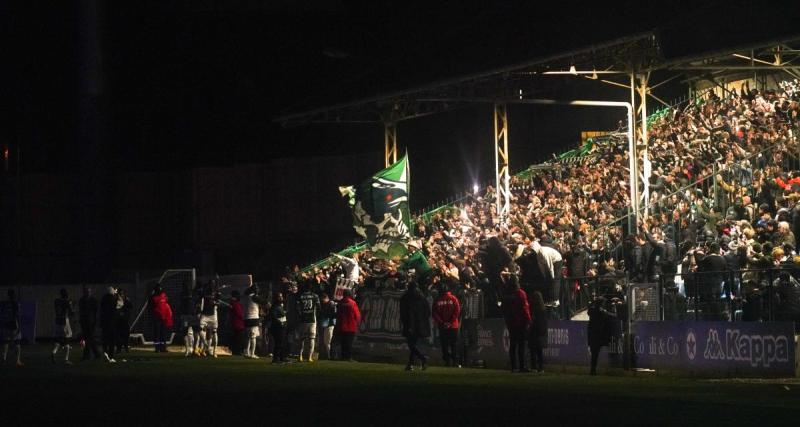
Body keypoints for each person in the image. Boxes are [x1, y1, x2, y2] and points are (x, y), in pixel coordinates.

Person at [399, 281, 431, 371]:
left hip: (410, 324)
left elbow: (404, 313)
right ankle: (411, 364)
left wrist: (405, 323)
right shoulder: (422, 297)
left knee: (411, 344)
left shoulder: (406, 297)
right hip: (420, 324)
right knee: (413, 344)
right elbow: (428, 312)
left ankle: (422, 358)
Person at [502, 275, 531, 372]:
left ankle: (513, 366)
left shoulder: (507, 294)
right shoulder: (521, 293)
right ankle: (522, 366)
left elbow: (504, 308)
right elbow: (525, 308)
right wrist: (528, 320)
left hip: (511, 322)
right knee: (521, 345)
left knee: (513, 345)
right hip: (521, 322)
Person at [432, 280, 461, 367]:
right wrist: (450, 322)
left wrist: (442, 323)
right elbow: (457, 311)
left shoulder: (437, 300)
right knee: (454, 344)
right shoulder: (453, 298)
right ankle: (455, 362)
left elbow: (434, 313)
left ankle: (447, 361)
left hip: (442, 327)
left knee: (444, 345)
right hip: (453, 326)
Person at [587, 296, 616, 375]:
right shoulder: (602, 312)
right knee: (595, 353)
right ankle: (593, 371)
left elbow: (589, 310)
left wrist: (593, 303)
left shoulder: (592, 310)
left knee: (594, 354)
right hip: (599, 335)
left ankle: (592, 370)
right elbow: (613, 316)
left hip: (592, 335)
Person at [296, 282, 320, 362]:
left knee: (302, 339)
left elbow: (297, 308)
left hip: (303, 319)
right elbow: (319, 307)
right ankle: (309, 357)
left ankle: (300, 356)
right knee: (312, 338)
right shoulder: (315, 296)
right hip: (312, 319)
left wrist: (300, 315)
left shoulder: (301, 296)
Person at [335, 288, 361, 361]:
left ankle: (343, 356)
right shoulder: (353, 303)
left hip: (341, 325)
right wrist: (358, 323)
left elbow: (338, 314)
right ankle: (348, 357)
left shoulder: (340, 303)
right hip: (351, 326)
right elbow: (357, 314)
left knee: (343, 342)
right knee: (349, 342)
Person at [242, 285, 266, 359]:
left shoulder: (247, 297)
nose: (258, 290)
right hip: (253, 318)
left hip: (246, 318)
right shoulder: (254, 297)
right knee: (253, 336)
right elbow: (264, 302)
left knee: (248, 337)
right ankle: (252, 353)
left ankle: (247, 352)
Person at [1, 289, 23, 367]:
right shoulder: (15, 303)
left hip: (6, 324)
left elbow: (3, 314)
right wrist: (19, 326)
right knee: (17, 343)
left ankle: (4, 358)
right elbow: (17, 315)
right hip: (13, 324)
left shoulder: (5, 304)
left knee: (6, 342)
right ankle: (17, 361)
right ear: (13, 295)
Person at [52, 289, 75, 365]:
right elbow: (71, 312)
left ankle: (53, 352)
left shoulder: (56, 300)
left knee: (58, 339)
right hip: (64, 321)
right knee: (67, 339)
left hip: (57, 321)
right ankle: (66, 359)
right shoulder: (67, 301)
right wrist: (72, 306)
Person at [78, 287, 101, 361]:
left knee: (88, 338)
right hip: (86, 321)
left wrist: (95, 320)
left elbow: (96, 311)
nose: (87, 293)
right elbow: (81, 311)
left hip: (90, 321)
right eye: (86, 292)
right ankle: (96, 354)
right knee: (89, 338)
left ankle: (88, 355)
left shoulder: (92, 300)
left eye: (88, 291)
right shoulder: (83, 300)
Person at [151, 284, 174, 353]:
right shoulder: (153, 297)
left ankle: (163, 348)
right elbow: (151, 308)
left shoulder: (163, 295)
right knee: (157, 333)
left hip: (163, 317)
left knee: (163, 333)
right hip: (157, 317)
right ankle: (157, 348)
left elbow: (166, 302)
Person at [528, 291, 547, 373]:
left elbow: (532, 320)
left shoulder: (532, 309)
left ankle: (534, 367)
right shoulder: (543, 309)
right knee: (539, 351)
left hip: (534, 331)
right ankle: (541, 367)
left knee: (533, 351)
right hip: (540, 332)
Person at [198, 286, 219, 357]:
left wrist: (216, 302)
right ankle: (207, 346)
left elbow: (217, 303)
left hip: (213, 316)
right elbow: (201, 304)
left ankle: (214, 351)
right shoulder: (204, 297)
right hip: (204, 315)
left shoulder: (215, 297)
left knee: (214, 332)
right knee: (200, 330)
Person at [100, 287, 119, 363]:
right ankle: (111, 356)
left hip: (104, 321)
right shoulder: (113, 299)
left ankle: (105, 353)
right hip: (112, 321)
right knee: (112, 340)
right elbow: (120, 304)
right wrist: (117, 295)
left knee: (105, 339)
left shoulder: (104, 299)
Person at [179, 281, 198, 357]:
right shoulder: (182, 296)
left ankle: (193, 349)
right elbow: (181, 306)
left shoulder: (193, 295)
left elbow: (196, 304)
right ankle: (188, 350)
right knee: (186, 332)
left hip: (192, 316)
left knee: (194, 333)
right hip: (186, 316)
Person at [269, 292, 288, 364]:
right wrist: (280, 322)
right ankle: (276, 359)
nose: (281, 298)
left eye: (281, 296)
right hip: (277, 328)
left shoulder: (280, 306)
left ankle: (282, 358)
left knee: (282, 343)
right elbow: (273, 317)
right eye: (279, 297)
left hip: (281, 327)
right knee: (279, 343)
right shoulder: (275, 306)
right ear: (276, 298)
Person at [318, 293, 337, 360]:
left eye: (322, 299)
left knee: (327, 341)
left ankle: (330, 356)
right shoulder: (330, 304)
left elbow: (331, 314)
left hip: (329, 324)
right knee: (327, 341)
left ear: (326, 298)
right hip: (328, 324)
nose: (322, 301)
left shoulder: (331, 304)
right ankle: (329, 356)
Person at [115, 289, 132, 355]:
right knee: (119, 335)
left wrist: (128, 301)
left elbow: (130, 306)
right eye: (120, 294)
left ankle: (126, 347)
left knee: (126, 334)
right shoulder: (116, 300)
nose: (121, 295)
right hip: (119, 320)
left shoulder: (126, 300)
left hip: (125, 320)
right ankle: (119, 348)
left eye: (122, 294)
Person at [229, 290, 245, 356]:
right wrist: (244, 317)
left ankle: (236, 351)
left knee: (236, 338)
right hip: (238, 324)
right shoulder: (235, 304)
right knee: (239, 338)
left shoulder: (232, 303)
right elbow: (240, 314)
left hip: (235, 323)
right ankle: (237, 351)